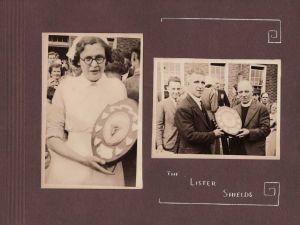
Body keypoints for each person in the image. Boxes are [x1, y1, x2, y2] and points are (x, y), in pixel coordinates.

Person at [46, 36, 128, 186]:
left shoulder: (117, 87)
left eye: (99, 58)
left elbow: (125, 130)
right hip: (71, 167)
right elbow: (52, 138)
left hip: (108, 169)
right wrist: (83, 159)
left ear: (106, 59)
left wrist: (117, 155)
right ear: (78, 61)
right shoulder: (65, 87)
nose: (94, 64)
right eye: (88, 59)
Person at [174, 73, 223, 154]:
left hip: (203, 151)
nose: (200, 86)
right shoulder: (183, 107)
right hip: (192, 154)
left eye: (203, 83)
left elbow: (204, 126)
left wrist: (220, 126)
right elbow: (190, 135)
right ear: (188, 84)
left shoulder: (199, 102)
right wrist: (213, 134)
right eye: (196, 82)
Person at [231, 80, 270, 155]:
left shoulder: (261, 108)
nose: (243, 94)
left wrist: (249, 132)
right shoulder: (234, 109)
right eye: (240, 92)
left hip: (253, 150)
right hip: (236, 150)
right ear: (238, 94)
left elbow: (266, 130)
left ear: (252, 92)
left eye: (246, 91)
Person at [156, 76, 181, 154]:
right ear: (168, 88)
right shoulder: (162, 104)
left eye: (178, 89)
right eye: (173, 89)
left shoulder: (184, 103)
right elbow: (158, 126)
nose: (176, 91)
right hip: (169, 143)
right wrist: (159, 144)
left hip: (183, 144)